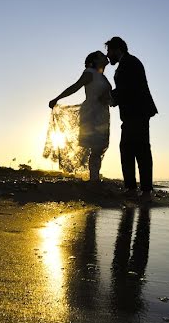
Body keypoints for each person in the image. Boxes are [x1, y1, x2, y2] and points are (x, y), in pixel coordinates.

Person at [105, 36, 157, 200]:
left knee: (139, 150)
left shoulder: (130, 63)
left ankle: (143, 190)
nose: (108, 55)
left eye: (109, 51)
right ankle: (134, 188)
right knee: (129, 149)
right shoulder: (126, 63)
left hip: (138, 112)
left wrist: (112, 98)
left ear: (117, 49)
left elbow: (127, 89)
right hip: (133, 114)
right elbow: (124, 89)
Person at [48, 51, 113, 183]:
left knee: (99, 147)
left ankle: (94, 176)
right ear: (94, 60)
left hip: (103, 113)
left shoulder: (103, 77)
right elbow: (75, 86)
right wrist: (57, 98)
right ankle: (94, 179)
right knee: (94, 146)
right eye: (101, 55)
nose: (105, 56)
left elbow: (109, 96)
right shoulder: (90, 72)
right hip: (91, 112)